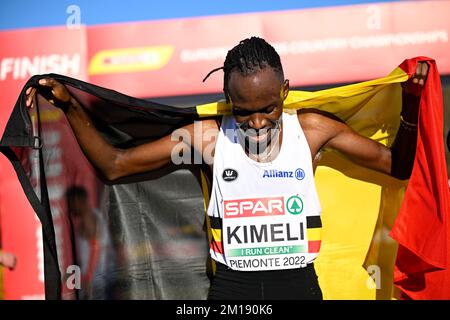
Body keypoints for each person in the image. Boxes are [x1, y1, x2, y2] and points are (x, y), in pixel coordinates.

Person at [25, 37, 428, 300]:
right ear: (226, 97)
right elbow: (115, 166)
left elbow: (397, 166)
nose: (256, 122)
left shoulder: (312, 130)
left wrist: (411, 102)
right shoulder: (209, 138)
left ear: (285, 92)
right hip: (234, 291)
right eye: (244, 110)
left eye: (269, 108)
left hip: (299, 287)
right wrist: (70, 106)